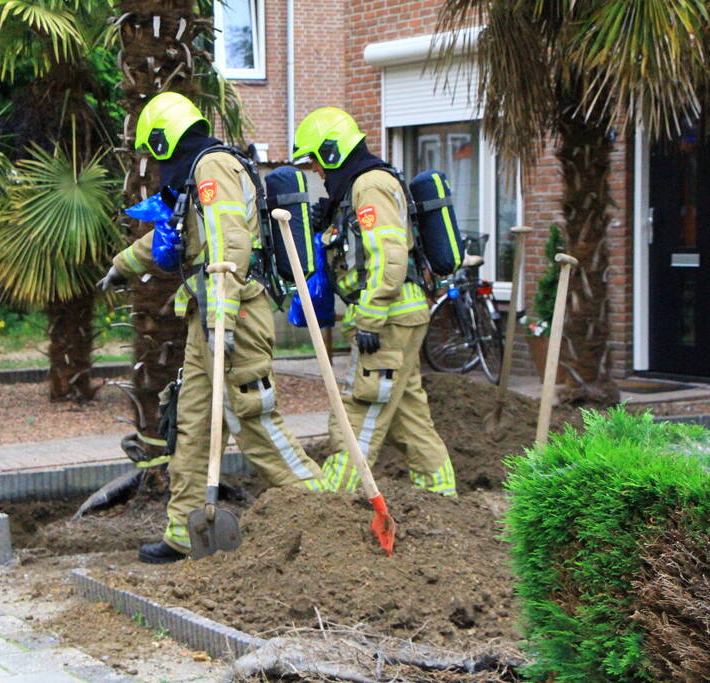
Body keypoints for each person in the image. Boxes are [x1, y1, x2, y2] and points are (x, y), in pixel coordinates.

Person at [99, 93, 325, 564]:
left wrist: (222, 318)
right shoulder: (197, 171)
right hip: (208, 311)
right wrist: (124, 265)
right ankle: (184, 534)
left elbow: (229, 242)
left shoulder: (213, 166)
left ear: (163, 139)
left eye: (153, 150)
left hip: (234, 310)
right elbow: (178, 233)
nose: (155, 161)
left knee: (250, 414)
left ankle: (325, 509)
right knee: (194, 423)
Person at [292, 106, 457, 496]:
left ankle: (337, 500)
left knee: (361, 408)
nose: (315, 169)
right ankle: (441, 496)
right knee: (408, 415)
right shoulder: (359, 187)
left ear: (332, 151)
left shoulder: (370, 186)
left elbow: (388, 255)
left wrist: (370, 316)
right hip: (399, 313)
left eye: (316, 158)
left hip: (388, 316)